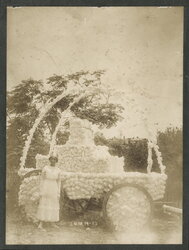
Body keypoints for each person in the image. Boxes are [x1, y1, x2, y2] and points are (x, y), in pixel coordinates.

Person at [37, 154, 61, 230]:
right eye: (51, 159)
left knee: (53, 204)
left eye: (54, 159)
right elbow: (42, 179)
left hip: (54, 187)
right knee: (44, 203)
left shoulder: (58, 170)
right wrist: (41, 189)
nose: (53, 160)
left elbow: (59, 181)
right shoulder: (45, 168)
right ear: (49, 160)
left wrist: (58, 192)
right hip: (46, 186)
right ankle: (41, 223)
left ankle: (52, 222)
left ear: (56, 161)